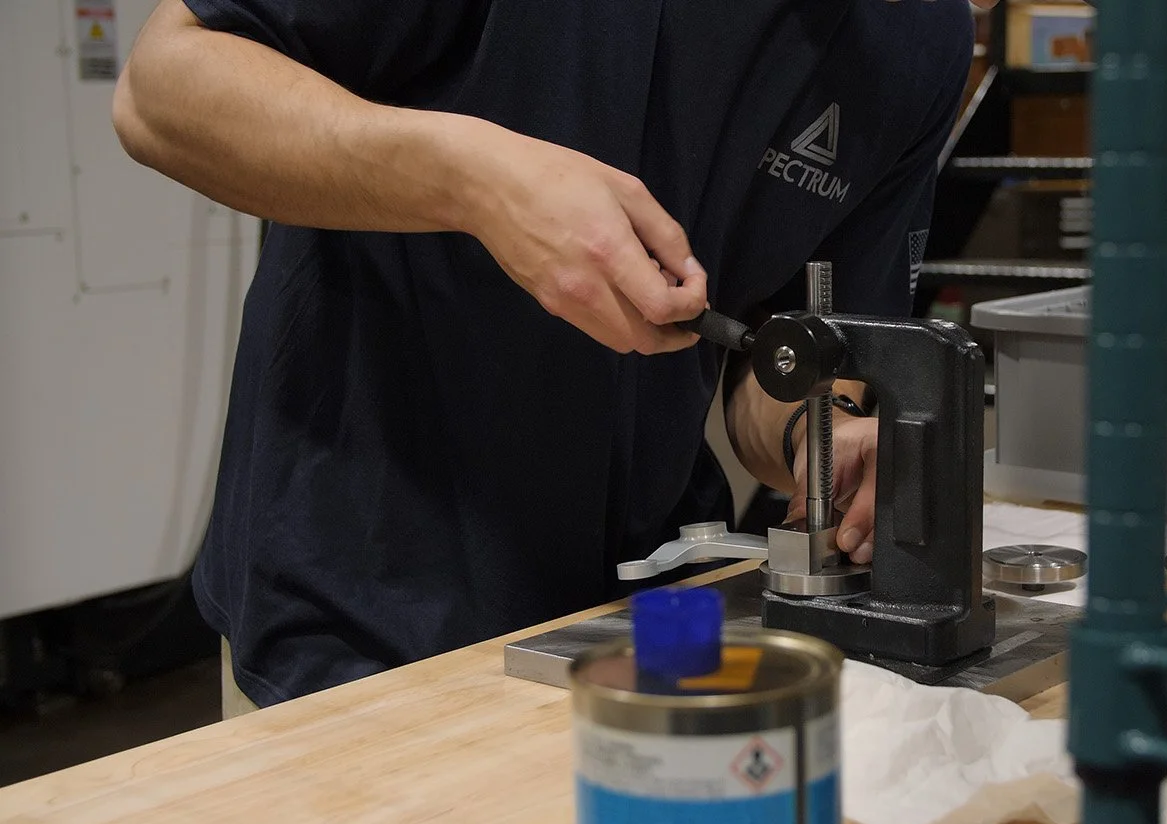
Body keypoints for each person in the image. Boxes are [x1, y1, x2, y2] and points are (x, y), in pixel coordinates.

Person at [113, 0, 985, 712]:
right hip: (351, 594)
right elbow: (163, 88)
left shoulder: (914, 38)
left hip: (641, 611)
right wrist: (477, 181)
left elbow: (777, 363)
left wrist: (819, 437)